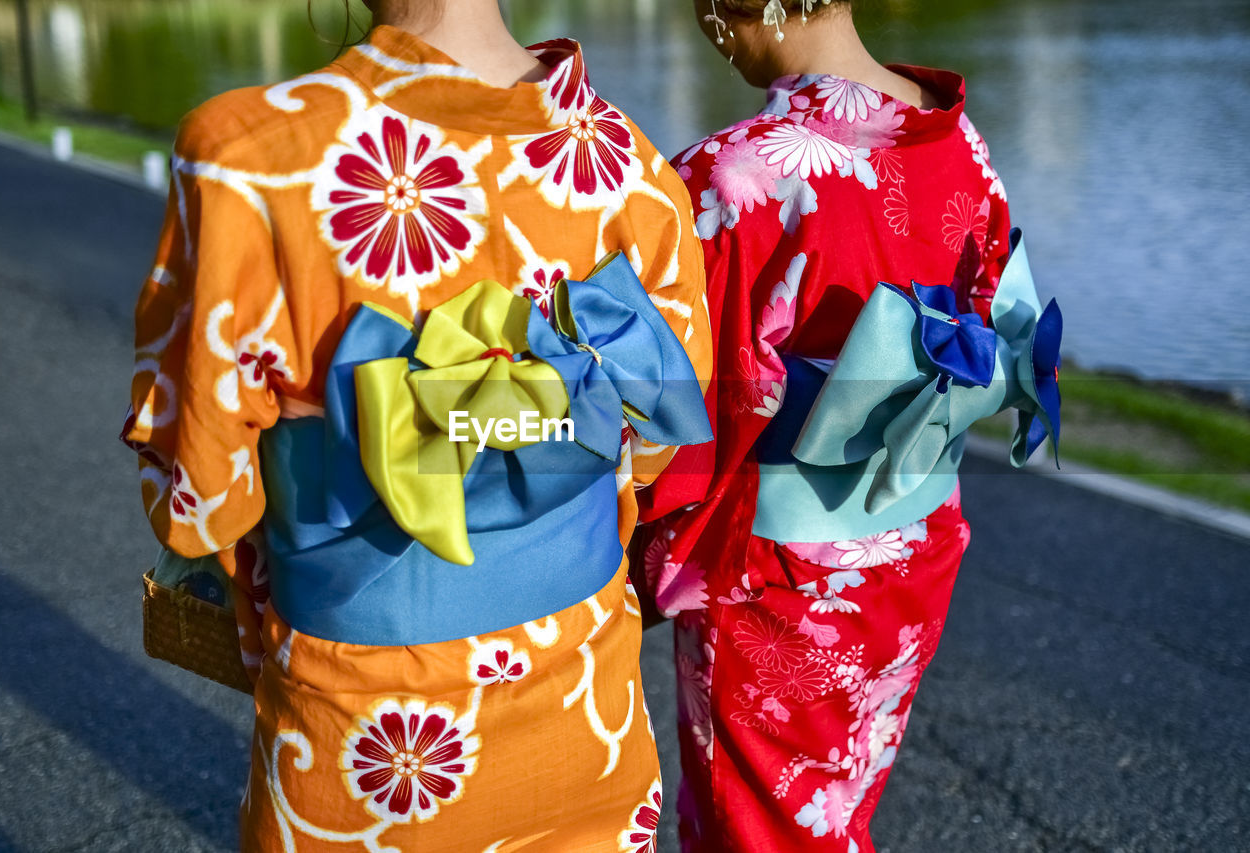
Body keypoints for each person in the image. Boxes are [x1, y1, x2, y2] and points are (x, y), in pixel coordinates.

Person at [120, 0, 713, 849]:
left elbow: (198, 501)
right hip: (587, 716)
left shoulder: (249, 161)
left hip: (370, 741)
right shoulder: (630, 167)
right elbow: (653, 449)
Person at [635, 1, 1059, 850]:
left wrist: (628, 556)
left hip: (784, 581)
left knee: (756, 828)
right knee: (834, 812)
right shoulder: (956, 141)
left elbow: (678, 414)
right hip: (916, 542)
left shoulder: (733, 177)